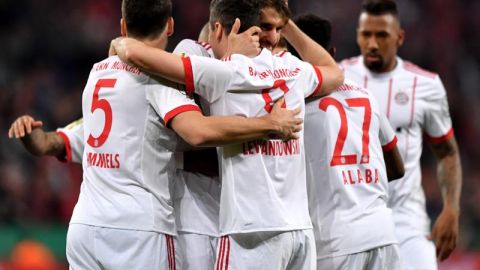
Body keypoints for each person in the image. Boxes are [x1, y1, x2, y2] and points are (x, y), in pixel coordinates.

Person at [38, 0, 304, 269]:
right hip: (140, 225)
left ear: (122, 25)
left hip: (86, 223)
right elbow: (197, 132)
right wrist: (269, 123)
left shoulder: (97, 72)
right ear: (170, 26)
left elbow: (85, 133)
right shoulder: (159, 78)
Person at [110, 0, 344, 269]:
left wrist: (119, 43)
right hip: (300, 230)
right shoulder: (293, 69)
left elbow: (138, 54)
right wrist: (288, 23)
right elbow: (334, 73)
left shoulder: (223, 72)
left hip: (250, 231)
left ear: (220, 29)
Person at [339, 0, 462, 268]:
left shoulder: (426, 86)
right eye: (365, 34)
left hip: (408, 223)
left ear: (400, 37)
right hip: (351, 221)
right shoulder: (337, 77)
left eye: (381, 35)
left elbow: (447, 153)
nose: (372, 43)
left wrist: (451, 208)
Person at [289, 14, 405, 269]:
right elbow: (397, 167)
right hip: (383, 235)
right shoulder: (364, 94)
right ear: (331, 52)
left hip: (336, 242)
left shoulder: (294, 103)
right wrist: (357, 177)